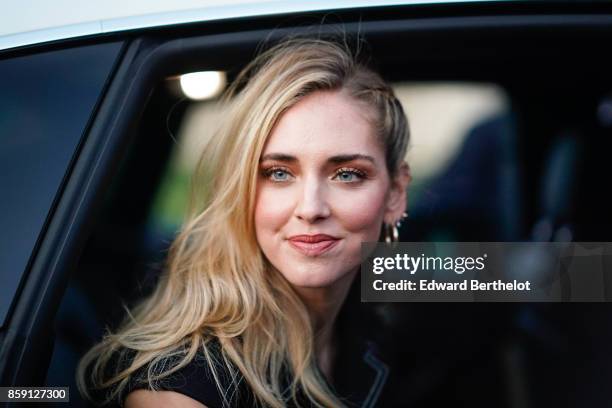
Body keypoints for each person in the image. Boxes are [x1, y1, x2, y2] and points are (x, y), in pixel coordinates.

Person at [76, 36, 411, 408]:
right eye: (279, 173)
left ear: (395, 194)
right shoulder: (184, 387)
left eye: (347, 174)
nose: (311, 208)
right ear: (241, 189)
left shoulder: (369, 322)